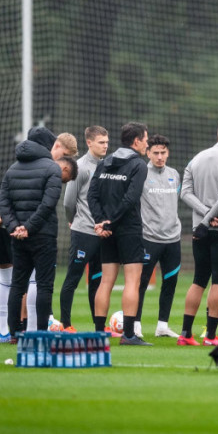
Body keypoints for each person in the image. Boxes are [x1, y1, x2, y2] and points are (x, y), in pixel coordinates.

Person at [0, 127, 70, 340]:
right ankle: (40, 333)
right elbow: (48, 204)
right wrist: (28, 227)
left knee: (17, 285)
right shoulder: (52, 168)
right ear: (47, 145)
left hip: (18, 238)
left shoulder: (12, 169)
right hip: (43, 235)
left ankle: (14, 333)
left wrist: (14, 227)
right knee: (44, 285)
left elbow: (4, 204)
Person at [177, 117, 218, 346]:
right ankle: (211, 336)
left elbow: (185, 193)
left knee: (198, 280)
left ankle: (185, 334)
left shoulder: (196, 159)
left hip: (200, 229)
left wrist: (205, 214)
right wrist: (215, 214)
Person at [89, 121, 152, 346]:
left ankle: (99, 334)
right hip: (128, 228)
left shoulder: (105, 162)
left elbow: (91, 195)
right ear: (136, 141)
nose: (147, 144)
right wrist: (110, 222)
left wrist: (101, 222)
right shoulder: (139, 165)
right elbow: (130, 199)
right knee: (132, 281)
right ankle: (128, 335)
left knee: (106, 281)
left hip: (106, 231)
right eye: (146, 140)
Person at [58, 125, 109, 333]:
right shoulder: (79, 167)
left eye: (107, 142)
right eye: (101, 142)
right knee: (73, 278)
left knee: (97, 280)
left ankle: (99, 326)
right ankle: (66, 324)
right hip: (83, 232)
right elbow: (68, 202)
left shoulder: (107, 165)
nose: (105, 146)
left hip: (102, 234)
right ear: (89, 143)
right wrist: (74, 221)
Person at [136, 134, 182, 338]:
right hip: (149, 238)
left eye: (163, 152)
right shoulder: (141, 173)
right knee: (141, 283)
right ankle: (135, 324)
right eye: (156, 153)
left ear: (168, 153)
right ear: (148, 153)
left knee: (170, 283)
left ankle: (162, 325)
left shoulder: (174, 174)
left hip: (173, 238)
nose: (160, 157)